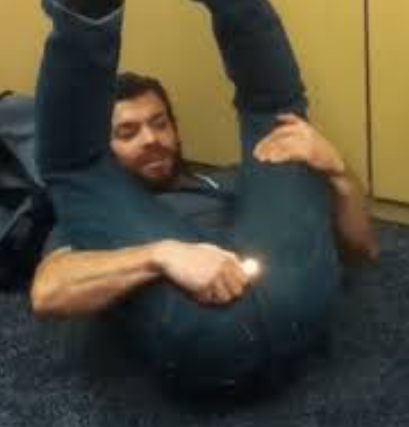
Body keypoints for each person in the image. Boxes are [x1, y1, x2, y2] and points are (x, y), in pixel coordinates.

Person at [32, 0, 377, 393]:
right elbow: (48, 292)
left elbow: (362, 248)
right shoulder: (90, 222)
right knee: (77, 168)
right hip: (207, 330)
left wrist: (338, 172)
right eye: (127, 133)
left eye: (160, 123)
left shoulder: (226, 179)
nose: (151, 139)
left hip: (303, 300)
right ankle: (88, 11)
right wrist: (160, 256)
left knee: (279, 119)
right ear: (105, 148)